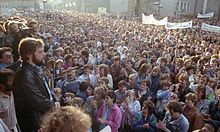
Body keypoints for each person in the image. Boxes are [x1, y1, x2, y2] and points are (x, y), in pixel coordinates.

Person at [13, 37, 58, 132]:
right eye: (40, 52)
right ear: (29, 55)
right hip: (35, 123)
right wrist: (55, 106)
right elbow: (36, 99)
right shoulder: (24, 74)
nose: (44, 54)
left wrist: (55, 99)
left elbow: (47, 89)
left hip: (42, 118)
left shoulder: (35, 68)